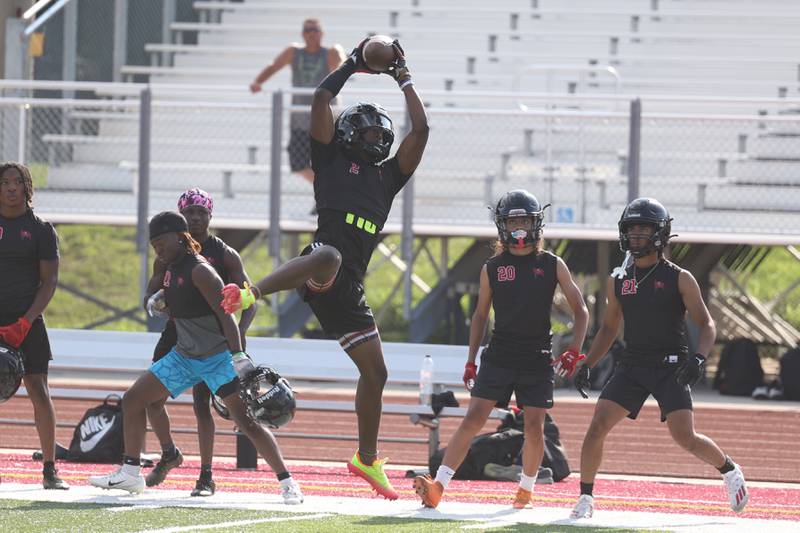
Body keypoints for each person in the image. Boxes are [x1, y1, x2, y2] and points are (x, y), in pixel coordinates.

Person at [222, 38, 428, 500]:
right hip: (320, 267)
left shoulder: (387, 178)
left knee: (376, 373)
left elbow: (422, 129)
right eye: (370, 134)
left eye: (382, 135)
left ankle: (366, 459)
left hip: (349, 288)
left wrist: (404, 77)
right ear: (351, 133)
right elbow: (320, 99)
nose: (378, 140)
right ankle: (253, 291)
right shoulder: (330, 158)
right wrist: (353, 65)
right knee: (329, 254)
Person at [89, 212, 303, 505]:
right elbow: (172, 297)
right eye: (153, 245)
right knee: (133, 399)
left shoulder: (201, 270)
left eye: (161, 242)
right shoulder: (168, 266)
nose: (158, 250)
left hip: (216, 358)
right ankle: (130, 472)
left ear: (180, 236)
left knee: (247, 422)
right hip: (183, 355)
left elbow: (226, 314)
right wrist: (159, 301)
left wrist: (238, 355)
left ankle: (287, 482)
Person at [568, 198, 748, 519]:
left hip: (671, 367)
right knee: (597, 425)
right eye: (632, 229)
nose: (636, 235)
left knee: (686, 438)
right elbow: (609, 328)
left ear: (660, 233)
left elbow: (706, 324)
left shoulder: (680, 277)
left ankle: (729, 469)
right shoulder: (619, 280)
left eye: (644, 229)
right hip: (633, 365)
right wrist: (588, 363)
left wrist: (698, 359)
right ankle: (585, 497)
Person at [413, 190, 589, 509]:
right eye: (513, 221)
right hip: (500, 354)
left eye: (524, 220)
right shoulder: (492, 267)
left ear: (536, 224)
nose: (519, 227)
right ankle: (439, 485)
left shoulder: (552, 264)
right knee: (473, 418)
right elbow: (481, 315)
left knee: (534, 427)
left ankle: (525, 491)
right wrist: (470, 361)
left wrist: (574, 350)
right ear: (502, 226)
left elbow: (581, 311)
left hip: (536, 357)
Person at [141, 188, 257, 496]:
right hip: (177, 332)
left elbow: (250, 301)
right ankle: (169, 453)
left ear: (210, 216)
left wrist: (238, 340)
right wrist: (155, 299)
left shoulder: (224, 254)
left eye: (200, 212)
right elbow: (149, 296)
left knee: (202, 406)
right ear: (180, 218)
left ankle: (206, 475)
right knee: (150, 398)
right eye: (189, 212)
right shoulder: (167, 250)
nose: (195, 217)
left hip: (211, 339)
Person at [0, 161, 68, 490]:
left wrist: (25, 321)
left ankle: (51, 468)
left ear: (28, 188)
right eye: (5, 182)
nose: (11, 187)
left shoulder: (41, 228)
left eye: (17, 182)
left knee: (39, 391)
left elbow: (50, 280)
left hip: (28, 322)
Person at [250, 18, 345, 184]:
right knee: (298, 164)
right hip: (300, 120)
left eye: (315, 30)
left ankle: (327, 193)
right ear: (302, 33)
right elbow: (274, 66)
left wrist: (343, 57)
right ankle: (327, 190)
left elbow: (342, 67)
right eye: (308, 30)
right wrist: (258, 82)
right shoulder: (294, 51)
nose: (311, 33)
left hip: (324, 119)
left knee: (327, 161)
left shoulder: (330, 52)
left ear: (322, 33)